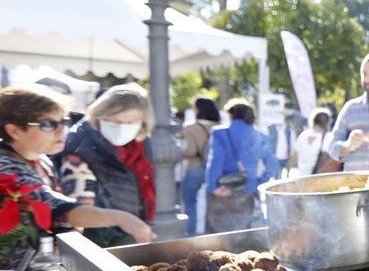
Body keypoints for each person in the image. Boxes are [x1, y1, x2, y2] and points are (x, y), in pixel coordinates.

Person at [0, 85, 154, 258]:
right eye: (48, 124)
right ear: (14, 130)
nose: (61, 130)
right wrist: (122, 218)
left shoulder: (42, 160)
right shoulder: (5, 166)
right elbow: (55, 206)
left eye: (63, 122)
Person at [58, 83, 157, 248]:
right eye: (115, 120)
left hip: (125, 234)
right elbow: (77, 208)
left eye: (131, 121)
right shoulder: (81, 145)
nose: (122, 126)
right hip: (97, 242)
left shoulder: (139, 146)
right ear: (99, 115)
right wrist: (123, 220)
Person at [205, 98, 266, 232]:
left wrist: (213, 186)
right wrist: (259, 182)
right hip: (249, 189)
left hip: (224, 187)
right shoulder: (259, 134)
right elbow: (272, 165)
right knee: (245, 231)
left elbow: (216, 160)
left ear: (231, 114)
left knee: (219, 229)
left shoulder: (219, 132)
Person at [328, 52, 369, 172]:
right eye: (364, 74)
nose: (367, 79)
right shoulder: (350, 108)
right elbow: (331, 148)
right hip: (353, 187)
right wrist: (348, 145)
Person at [181, 96, 220, 235]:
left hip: (195, 167)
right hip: (215, 170)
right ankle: (211, 233)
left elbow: (190, 150)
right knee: (214, 203)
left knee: (190, 201)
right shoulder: (220, 127)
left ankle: (191, 233)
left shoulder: (190, 127)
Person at [291, 107, 334, 176]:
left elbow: (294, 157)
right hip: (319, 177)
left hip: (302, 176)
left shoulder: (303, 135)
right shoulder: (329, 137)